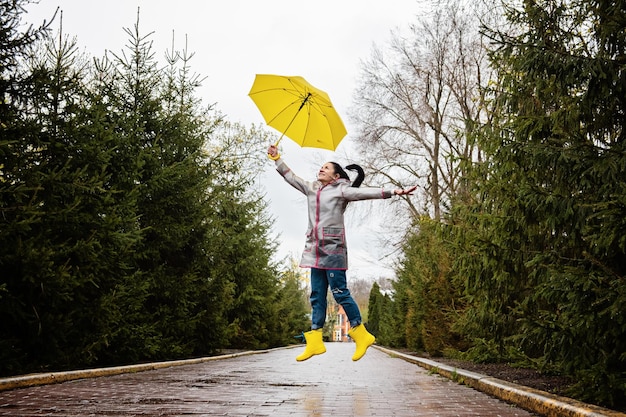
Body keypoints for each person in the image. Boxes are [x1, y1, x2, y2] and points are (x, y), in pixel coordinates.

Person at [267, 144, 416, 362]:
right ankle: (315, 340)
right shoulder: (311, 188)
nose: (321, 169)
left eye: (326, 168)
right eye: (321, 167)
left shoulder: (342, 190)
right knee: (317, 295)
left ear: (336, 176)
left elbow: (365, 192)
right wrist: (277, 158)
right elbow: (291, 177)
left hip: (333, 249)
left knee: (339, 292)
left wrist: (392, 192)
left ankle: (361, 334)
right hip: (314, 250)